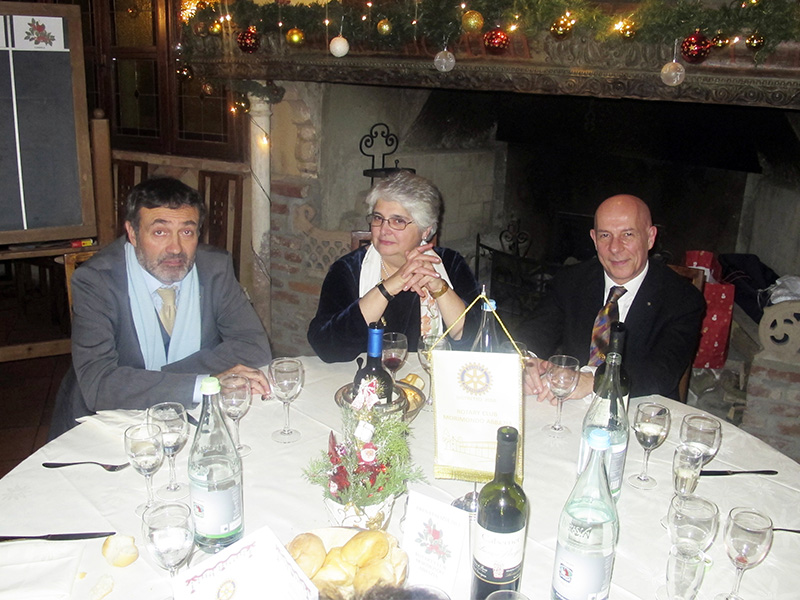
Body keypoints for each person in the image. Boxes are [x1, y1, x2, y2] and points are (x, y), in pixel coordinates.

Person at [49, 177, 272, 439]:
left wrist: (149, 380)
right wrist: (204, 383)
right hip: (104, 424)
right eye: (160, 232)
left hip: (188, 419)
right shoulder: (96, 281)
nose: (175, 248)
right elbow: (99, 384)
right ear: (132, 234)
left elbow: (254, 347)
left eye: (187, 232)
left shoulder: (214, 268)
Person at [521, 194, 705, 403]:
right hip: (568, 404)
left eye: (628, 234)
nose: (615, 248)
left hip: (638, 408)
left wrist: (592, 381)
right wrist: (527, 361)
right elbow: (533, 332)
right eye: (605, 235)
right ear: (594, 239)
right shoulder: (571, 281)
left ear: (650, 237)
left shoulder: (683, 299)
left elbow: (661, 374)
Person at [308, 171, 481, 362]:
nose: (383, 230)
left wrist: (439, 287)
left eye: (398, 221)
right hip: (367, 376)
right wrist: (388, 287)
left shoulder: (450, 264)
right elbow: (327, 348)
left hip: (432, 376)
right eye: (378, 218)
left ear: (425, 230)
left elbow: (478, 340)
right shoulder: (348, 269)